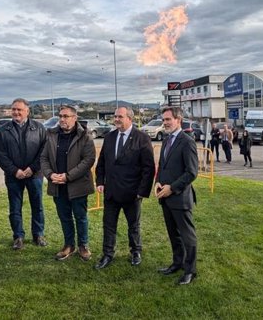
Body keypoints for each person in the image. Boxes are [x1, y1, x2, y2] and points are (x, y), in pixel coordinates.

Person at [94, 107, 155, 269]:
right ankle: (107, 254)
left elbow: (148, 168)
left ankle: (135, 251)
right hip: (111, 191)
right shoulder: (109, 137)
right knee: (108, 225)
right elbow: (101, 163)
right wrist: (99, 181)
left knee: (133, 225)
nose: (116, 119)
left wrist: (142, 191)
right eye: (115, 116)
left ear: (130, 118)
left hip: (132, 193)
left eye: (119, 116)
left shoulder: (142, 138)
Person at [41, 105, 96, 261]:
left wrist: (68, 176)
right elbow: (43, 158)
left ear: (75, 117)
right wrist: (50, 174)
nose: (62, 119)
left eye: (66, 116)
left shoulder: (85, 135)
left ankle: (83, 245)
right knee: (64, 217)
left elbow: (88, 160)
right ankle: (69, 245)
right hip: (57, 185)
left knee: (81, 216)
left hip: (78, 185)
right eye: (60, 116)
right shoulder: (51, 134)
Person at [154, 106, 199, 285]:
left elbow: (191, 172)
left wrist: (172, 188)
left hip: (179, 197)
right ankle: (177, 263)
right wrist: (157, 181)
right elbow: (162, 165)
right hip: (165, 198)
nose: (164, 123)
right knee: (174, 234)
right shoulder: (166, 140)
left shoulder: (187, 141)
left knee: (188, 236)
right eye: (163, 120)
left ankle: (190, 270)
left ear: (178, 120)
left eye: (168, 120)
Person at [0, 98, 47, 250]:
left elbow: (44, 151)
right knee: (15, 207)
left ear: (27, 111)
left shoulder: (39, 128)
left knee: (37, 206)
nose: (16, 112)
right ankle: (18, 236)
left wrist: (32, 168)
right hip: (13, 176)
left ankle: (38, 234)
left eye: (19, 109)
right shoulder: (4, 130)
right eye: (13, 109)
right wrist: (14, 170)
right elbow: (0, 154)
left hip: (35, 174)